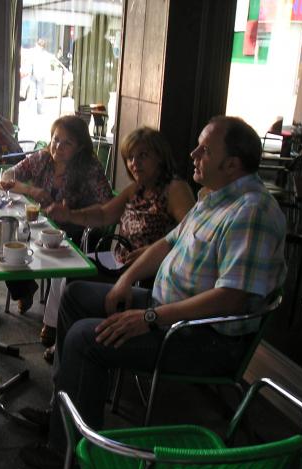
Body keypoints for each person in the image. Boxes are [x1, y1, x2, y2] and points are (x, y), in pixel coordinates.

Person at [19, 116, 287, 469]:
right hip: (168, 310)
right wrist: (125, 280)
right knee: (75, 294)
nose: (193, 154)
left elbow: (231, 298)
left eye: (205, 150)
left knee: (85, 338)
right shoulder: (214, 199)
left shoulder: (251, 212)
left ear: (232, 164)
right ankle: (63, 411)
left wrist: (149, 317)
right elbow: (167, 243)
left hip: (203, 336)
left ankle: (65, 455)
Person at [38, 128, 195, 359]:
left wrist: (149, 251)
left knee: (75, 280)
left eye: (143, 156)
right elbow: (103, 214)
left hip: (149, 273)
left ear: (160, 157)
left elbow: (189, 234)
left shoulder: (175, 189)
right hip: (120, 261)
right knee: (69, 267)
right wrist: (69, 215)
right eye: (130, 157)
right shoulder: (136, 188)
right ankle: (63, 340)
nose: (134, 163)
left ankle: (73, 345)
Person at [0, 115, 113, 314]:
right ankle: (24, 289)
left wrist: (72, 213)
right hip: (40, 225)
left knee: (54, 253)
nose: (58, 146)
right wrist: (32, 190)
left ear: (80, 147)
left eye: (68, 143)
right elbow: (4, 179)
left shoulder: (90, 168)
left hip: (75, 230)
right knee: (5, 240)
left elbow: (108, 205)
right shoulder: (42, 159)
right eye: (56, 139)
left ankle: (54, 316)